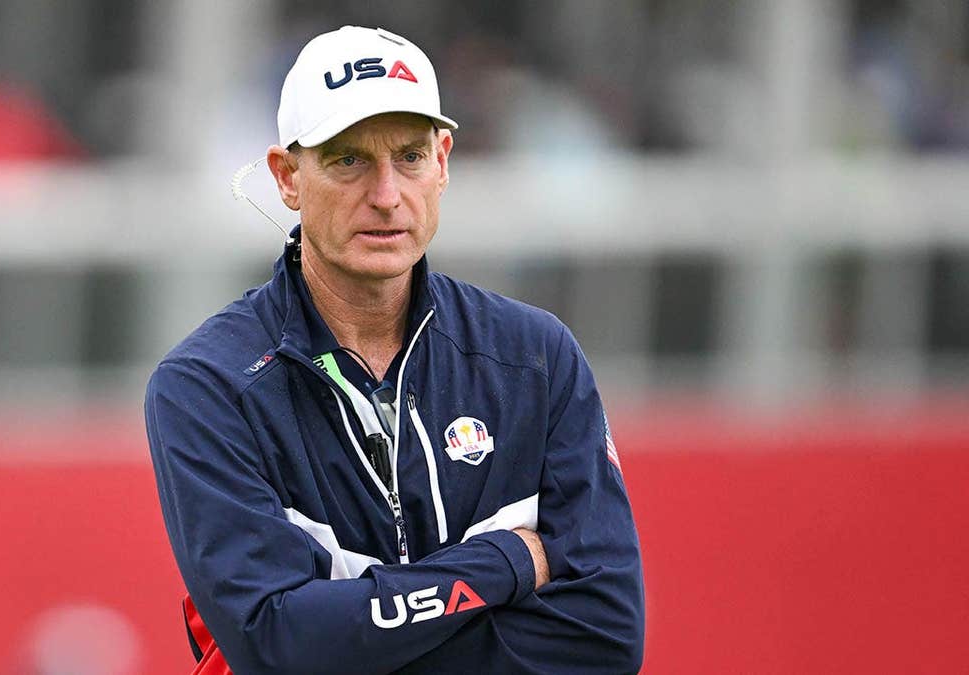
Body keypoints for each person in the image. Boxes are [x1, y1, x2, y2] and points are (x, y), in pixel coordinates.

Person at [145, 26, 643, 674]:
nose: (385, 194)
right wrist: (507, 563)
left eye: (408, 156)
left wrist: (352, 634)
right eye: (349, 159)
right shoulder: (207, 386)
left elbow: (606, 637)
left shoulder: (535, 358)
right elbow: (275, 644)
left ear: (442, 162)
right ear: (288, 176)